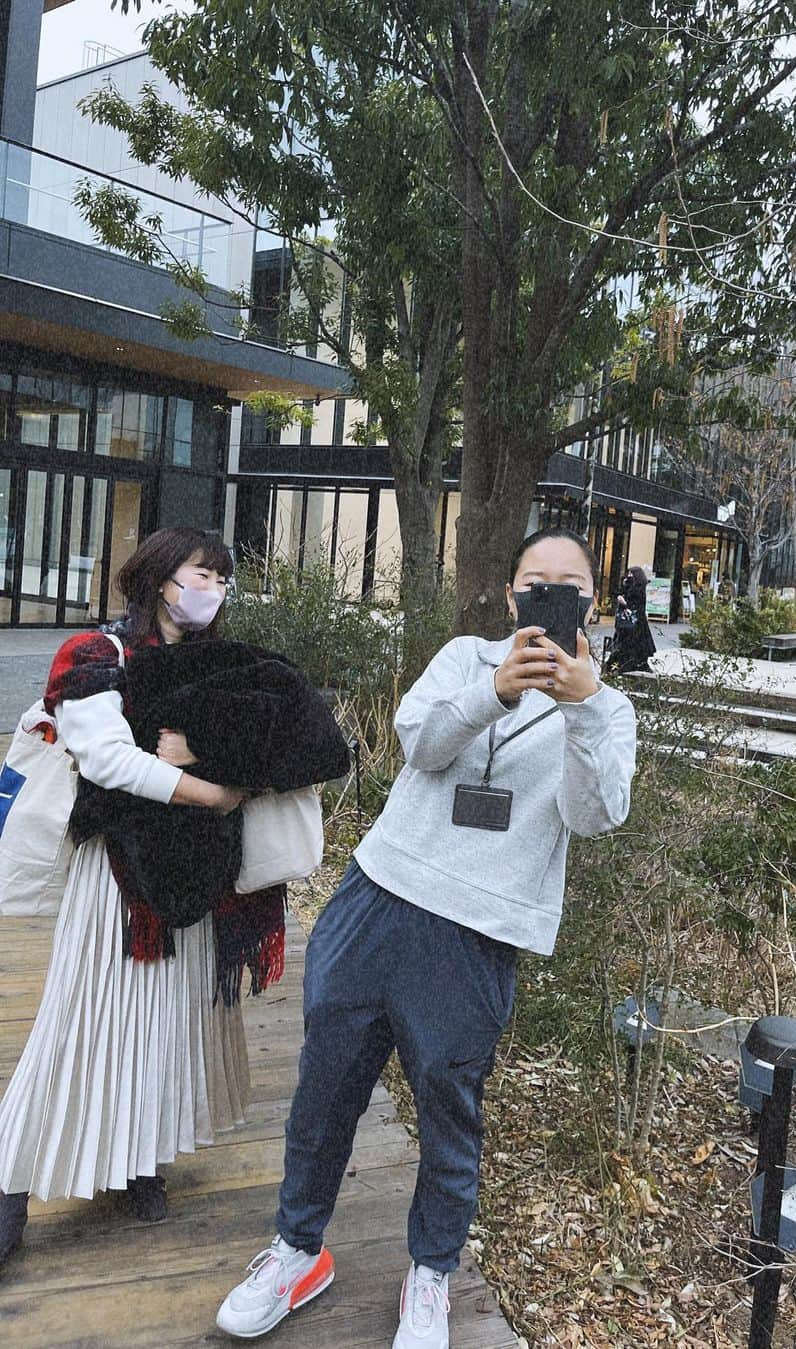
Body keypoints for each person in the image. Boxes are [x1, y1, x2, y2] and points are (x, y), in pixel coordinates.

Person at [216, 527, 637, 1348]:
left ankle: (431, 1272)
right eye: (534, 581)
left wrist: (579, 707)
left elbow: (594, 815)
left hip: (478, 932)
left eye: (571, 583)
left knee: (451, 1111)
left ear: (595, 598)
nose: (551, 595)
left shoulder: (609, 708)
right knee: (325, 1087)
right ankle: (297, 1248)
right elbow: (421, 743)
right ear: (512, 593)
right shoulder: (464, 659)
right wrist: (497, 692)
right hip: (378, 895)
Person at [0, 526, 346, 1267]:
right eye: (202, 573)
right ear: (161, 578)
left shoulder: (223, 663)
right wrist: (209, 790)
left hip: (196, 880)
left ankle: (139, 1160)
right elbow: (107, 758)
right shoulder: (97, 655)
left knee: (165, 1027)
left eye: (222, 579)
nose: (213, 590)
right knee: (81, 1026)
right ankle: (9, 1183)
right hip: (120, 884)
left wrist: (219, 774)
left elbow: (292, 748)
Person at [607, 565, 657, 674]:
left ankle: (629, 664)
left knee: (630, 644)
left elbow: (636, 604)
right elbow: (617, 592)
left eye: (631, 574)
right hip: (630, 622)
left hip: (634, 622)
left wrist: (624, 602)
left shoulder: (639, 588)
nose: (629, 576)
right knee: (628, 644)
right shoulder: (630, 585)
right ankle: (628, 664)